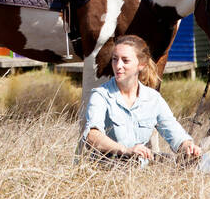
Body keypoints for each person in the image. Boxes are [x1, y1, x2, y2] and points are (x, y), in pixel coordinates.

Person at [82, 35, 201, 165]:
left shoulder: (153, 98)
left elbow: (174, 132)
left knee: (200, 162)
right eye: (115, 59)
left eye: (125, 60)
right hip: (108, 167)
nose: (118, 65)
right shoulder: (100, 95)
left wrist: (187, 146)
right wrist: (125, 150)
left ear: (141, 65)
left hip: (140, 169)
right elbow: (92, 136)